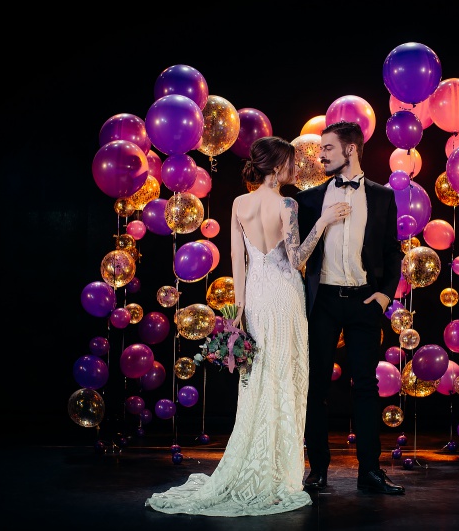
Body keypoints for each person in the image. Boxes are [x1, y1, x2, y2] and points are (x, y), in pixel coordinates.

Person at [145, 136, 347, 516]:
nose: (294, 169)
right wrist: (322, 222)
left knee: (258, 379)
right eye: (290, 163)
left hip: (254, 296)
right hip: (284, 295)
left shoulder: (240, 203)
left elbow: (238, 260)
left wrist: (238, 309)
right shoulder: (286, 204)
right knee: (284, 375)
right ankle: (277, 470)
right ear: (277, 166)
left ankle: (258, 459)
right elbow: (296, 259)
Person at [295, 121, 405, 495]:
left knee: (366, 387)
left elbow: (392, 251)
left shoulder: (383, 197)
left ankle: (370, 471)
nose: (321, 155)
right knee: (316, 386)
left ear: (351, 149)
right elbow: (298, 254)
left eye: (327, 148)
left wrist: (385, 295)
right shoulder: (310, 199)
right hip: (322, 302)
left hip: (364, 302)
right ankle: (317, 469)